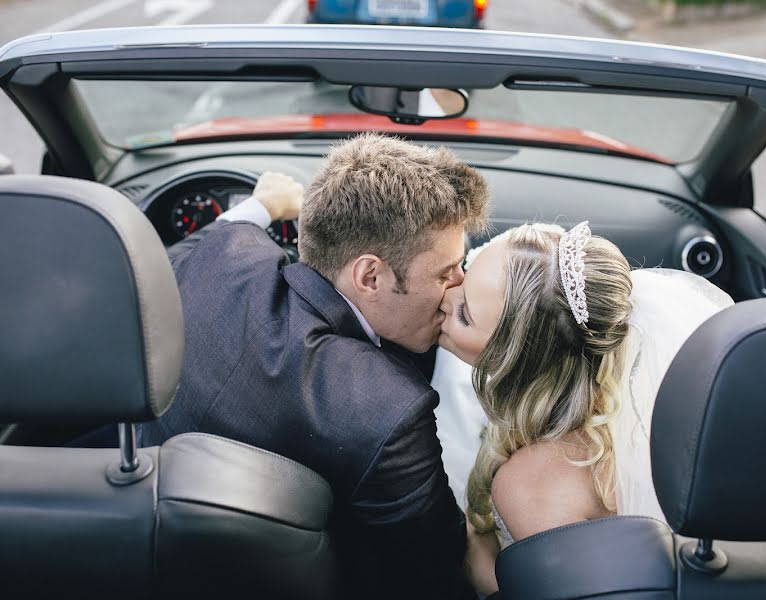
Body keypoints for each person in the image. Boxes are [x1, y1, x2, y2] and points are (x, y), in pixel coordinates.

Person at [140, 133, 490, 599]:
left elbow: (222, 233)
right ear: (370, 276)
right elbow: (433, 567)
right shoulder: (387, 410)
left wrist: (264, 203)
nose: (459, 285)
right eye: (446, 272)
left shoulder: (217, 258)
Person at [433, 222, 733, 595]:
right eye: (466, 273)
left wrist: (478, 559)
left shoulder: (530, 485)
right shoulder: (618, 417)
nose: (444, 297)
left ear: (520, 362)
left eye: (465, 314)